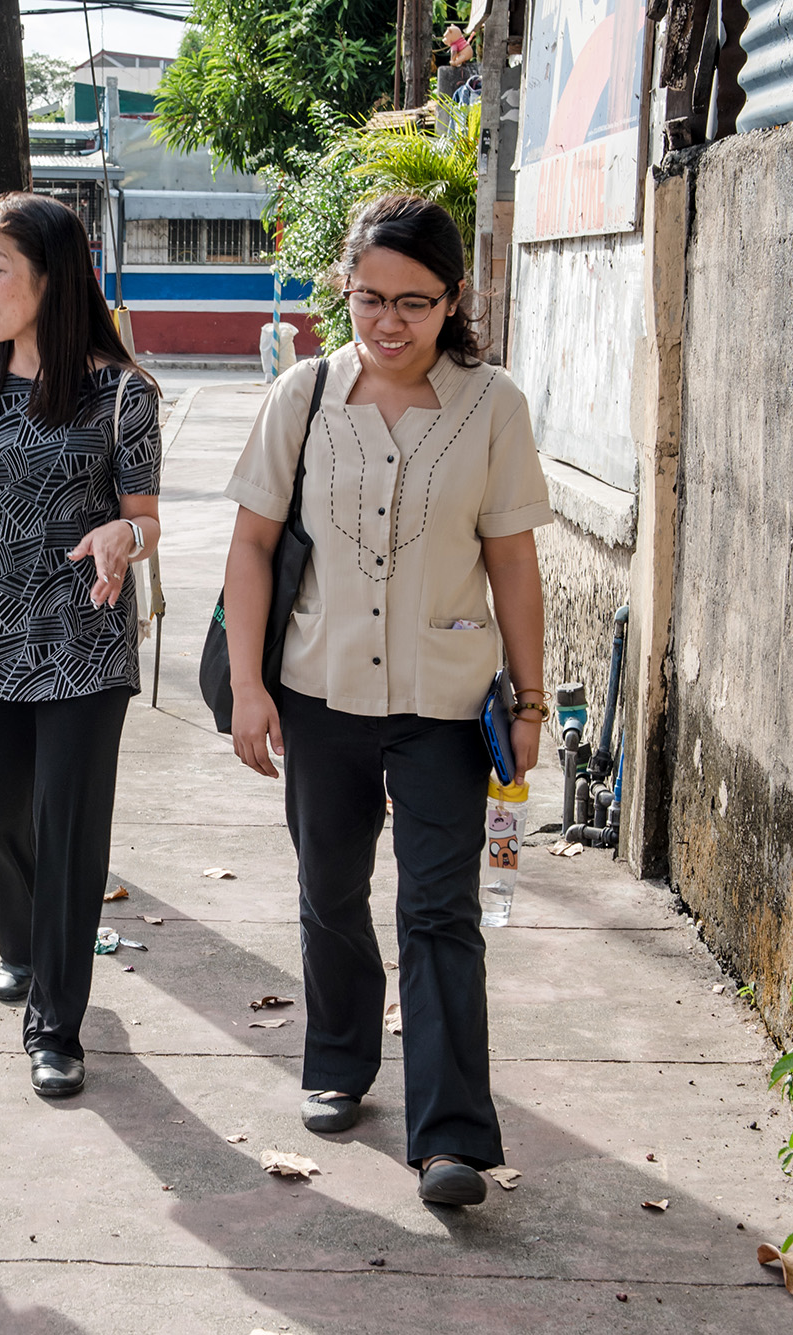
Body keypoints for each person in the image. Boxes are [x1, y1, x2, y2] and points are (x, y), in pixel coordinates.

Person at [218, 194, 553, 1207]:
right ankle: (336, 1060)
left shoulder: (491, 405)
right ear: (343, 288)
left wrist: (529, 703)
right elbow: (251, 546)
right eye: (369, 298)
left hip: (446, 705)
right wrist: (245, 689)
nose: (388, 323)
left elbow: (512, 560)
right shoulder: (304, 396)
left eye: (414, 302)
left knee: (438, 910)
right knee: (329, 890)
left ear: (453, 300)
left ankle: (449, 1135)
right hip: (318, 693)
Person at [0, 192, 162, 1100]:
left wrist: (120, 540)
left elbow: (144, 519)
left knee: (69, 832)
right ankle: (21, 944)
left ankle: (57, 1023)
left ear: (50, 278)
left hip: (80, 640)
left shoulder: (123, 393)